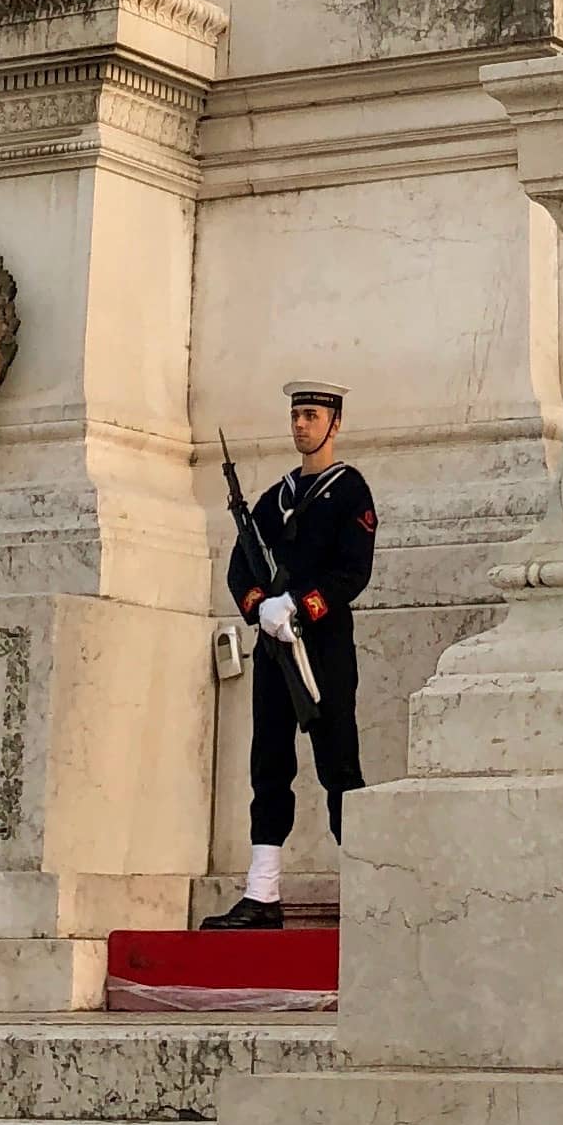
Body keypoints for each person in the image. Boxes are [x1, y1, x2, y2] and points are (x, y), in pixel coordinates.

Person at [206, 380, 376, 931]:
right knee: (269, 765)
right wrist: (261, 610)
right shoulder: (272, 500)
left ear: (335, 423)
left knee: (338, 767)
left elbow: (353, 571)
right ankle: (262, 892)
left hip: (323, 648)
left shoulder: (350, 492)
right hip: (274, 651)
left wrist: (302, 607)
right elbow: (239, 568)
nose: (301, 424)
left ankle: (364, 888)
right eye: (296, 415)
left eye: (311, 415)